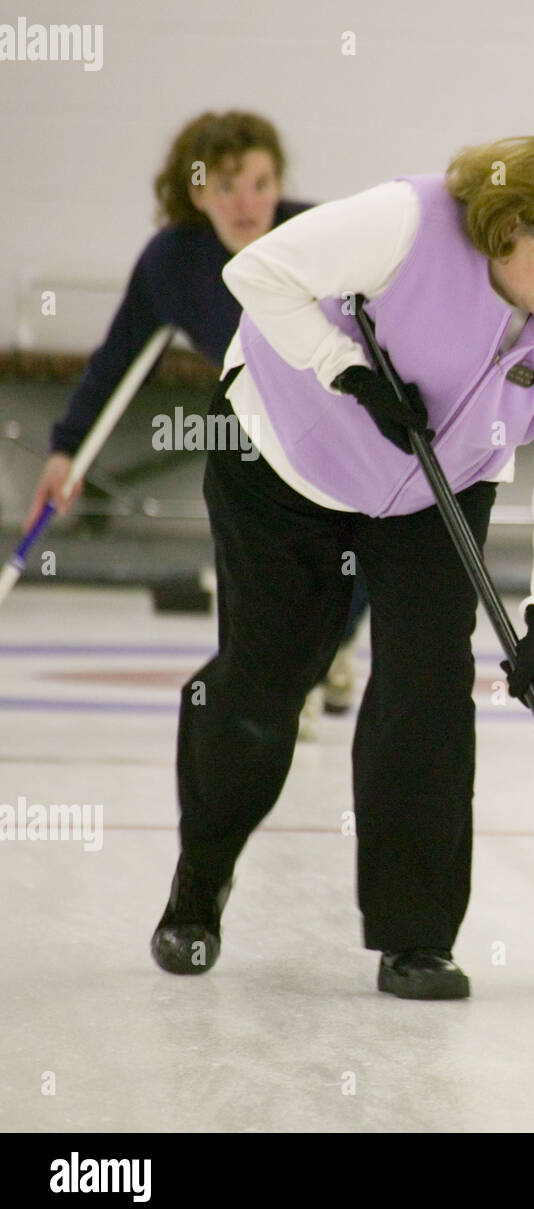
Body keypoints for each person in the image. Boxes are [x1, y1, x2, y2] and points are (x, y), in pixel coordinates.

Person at [150, 119, 534, 1000]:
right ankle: (200, 885)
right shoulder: (410, 219)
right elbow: (256, 273)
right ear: (511, 223)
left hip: (438, 486)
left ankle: (417, 938)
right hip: (285, 457)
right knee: (268, 674)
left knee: (430, 687)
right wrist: (346, 368)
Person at [21, 110, 362, 738]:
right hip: (256, 427)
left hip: (342, 419)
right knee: (262, 560)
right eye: (227, 186)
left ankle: (327, 654)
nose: (247, 203)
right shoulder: (174, 261)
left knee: (351, 551)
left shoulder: (312, 236)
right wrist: (67, 451)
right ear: (197, 190)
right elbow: (119, 359)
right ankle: (293, 678)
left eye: (262, 183)